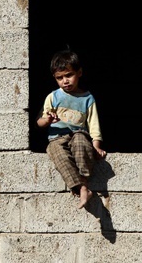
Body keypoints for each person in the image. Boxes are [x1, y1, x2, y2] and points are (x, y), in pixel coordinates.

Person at [37, 49, 106, 209]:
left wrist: (96, 146)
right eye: (59, 78)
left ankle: (83, 180)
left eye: (68, 75)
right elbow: (39, 123)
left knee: (81, 142)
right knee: (56, 152)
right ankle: (82, 188)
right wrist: (47, 120)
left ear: (79, 73)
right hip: (57, 138)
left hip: (78, 135)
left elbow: (93, 124)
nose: (65, 81)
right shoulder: (53, 97)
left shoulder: (87, 98)